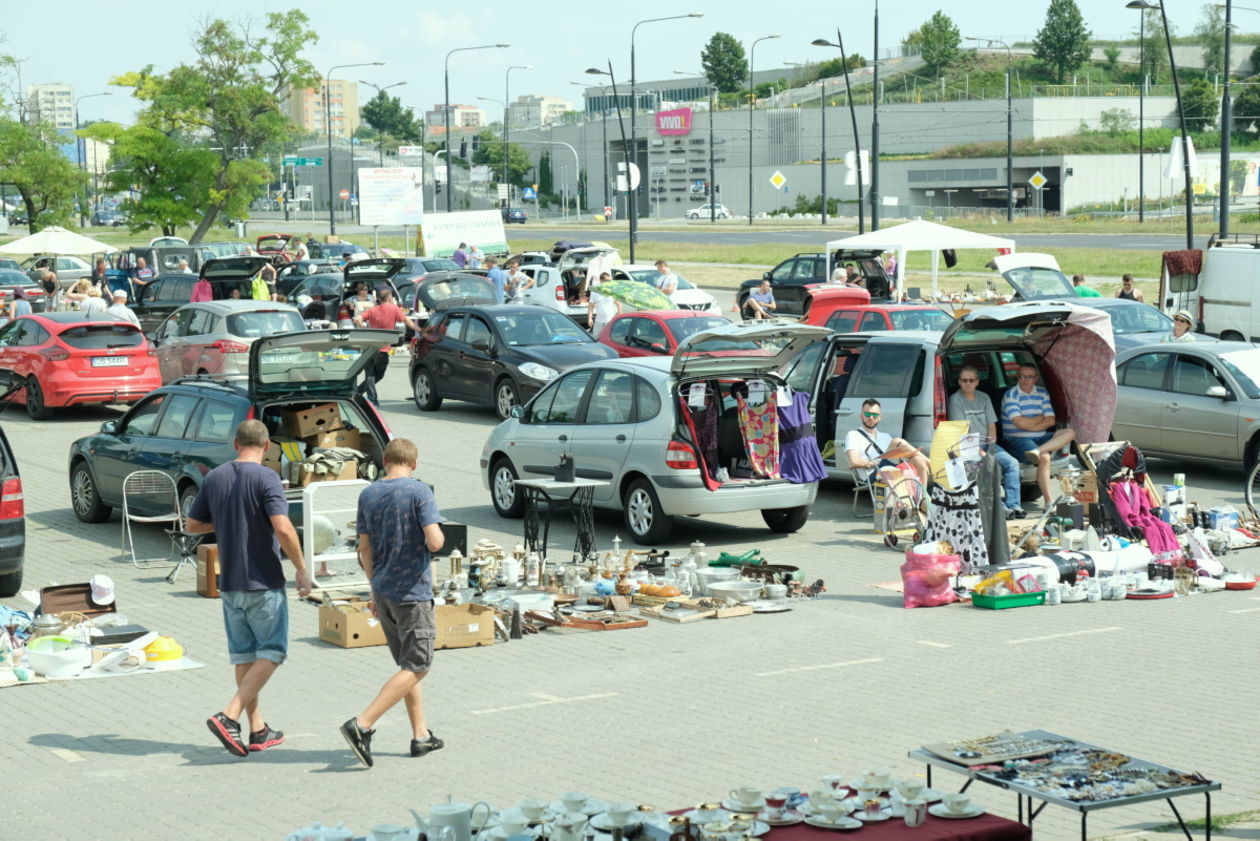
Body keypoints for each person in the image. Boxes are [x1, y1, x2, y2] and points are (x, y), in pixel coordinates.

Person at [185, 420, 311, 757]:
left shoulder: (215, 477)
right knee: (272, 651)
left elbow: (192, 525)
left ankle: (258, 729)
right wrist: (301, 569)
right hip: (263, 582)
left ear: (236, 443)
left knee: (244, 655)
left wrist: (227, 519)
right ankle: (229, 715)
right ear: (267, 445)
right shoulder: (267, 478)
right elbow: (283, 528)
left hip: (230, 584)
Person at [339, 438, 445, 768]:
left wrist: (373, 590)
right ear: (414, 463)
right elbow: (436, 541)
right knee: (419, 665)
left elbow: (364, 548)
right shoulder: (419, 491)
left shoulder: (368, 493)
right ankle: (363, 723)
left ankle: (420, 735)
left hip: (383, 591)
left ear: (385, 461)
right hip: (412, 592)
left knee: (406, 667)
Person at [947, 366, 1023, 519]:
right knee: (988, 468)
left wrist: (991, 448)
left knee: (1013, 464)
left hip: (987, 444)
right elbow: (961, 432)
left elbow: (991, 426)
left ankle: (1015, 505)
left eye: (971, 380)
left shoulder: (984, 398)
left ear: (977, 382)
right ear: (959, 382)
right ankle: (1002, 509)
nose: (968, 383)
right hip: (966, 446)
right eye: (964, 380)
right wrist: (982, 454)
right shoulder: (955, 400)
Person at [1001, 363, 1077, 510]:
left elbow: (1051, 420)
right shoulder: (1011, 395)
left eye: (1030, 376)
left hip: (1040, 438)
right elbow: (1019, 423)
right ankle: (1049, 501)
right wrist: (1039, 418)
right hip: (1017, 439)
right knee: (1045, 457)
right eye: (1022, 376)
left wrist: (1032, 424)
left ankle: (1037, 450)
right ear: (1018, 376)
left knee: (1071, 432)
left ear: (1035, 378)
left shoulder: (1042, 393)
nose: (1025, 380)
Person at [844, 398, 930, 510]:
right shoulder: (853, 435)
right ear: (861, 415)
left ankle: (922, 497)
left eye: (875, 415)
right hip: (873, 474)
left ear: (880, 417)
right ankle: (931, 463)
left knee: (919, 461)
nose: (871, 418)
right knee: (897, 441)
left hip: (893, 468)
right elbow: (853, 461)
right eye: (867, 414)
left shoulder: (885, 436)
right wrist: (872, 462)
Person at [354, 287, 419, 405]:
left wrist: (364, 329)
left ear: (378, 298)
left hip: (369, 348)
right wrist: (420, 330)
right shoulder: (394, 309)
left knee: (370, 375)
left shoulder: (372, 310)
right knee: (378, 375)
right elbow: (407, 321)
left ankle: (359, 392)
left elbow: (358, 319)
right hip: (383, 350)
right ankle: (371, 399)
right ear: (389, 297)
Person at [587, 271, 622, 335]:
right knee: (596, 338)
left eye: (610, 280)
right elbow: (590, 306)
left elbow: (618, 304)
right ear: (601, 281)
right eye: (607, 280)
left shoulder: (612, 290)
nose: (609, 282)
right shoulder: (595, 291)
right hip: (599, 320)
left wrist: (619, 319)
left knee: (610, 339)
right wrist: (590, 318)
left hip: (610, 320)